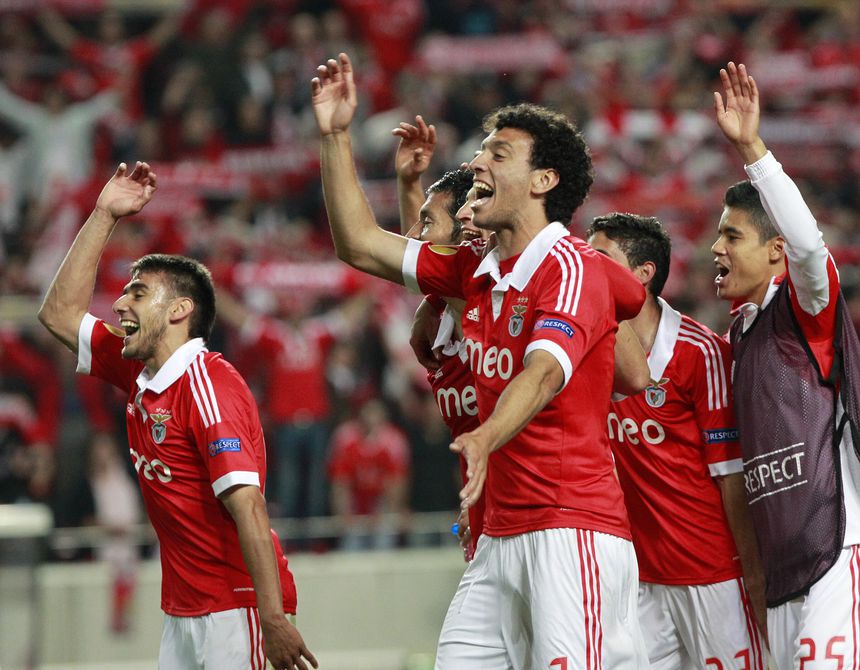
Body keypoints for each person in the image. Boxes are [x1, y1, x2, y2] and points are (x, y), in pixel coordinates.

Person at [312, 52, 649, 668]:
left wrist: (484, 437)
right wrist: (335, 136)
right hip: (498, 536)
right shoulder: (477, 269)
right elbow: (359, 244)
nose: (475, 163)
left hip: (569, 528)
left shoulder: (571, 267)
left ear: (543, 181)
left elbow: (543, 373)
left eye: (498, 154)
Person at [37, 161, 317, 670]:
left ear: (179, 310)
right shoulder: (139, 372)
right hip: (183, 612)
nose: (119, 303)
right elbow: (58, 314)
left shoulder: (209, 386)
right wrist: (103, 214)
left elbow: (249, 506)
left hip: (239, 608)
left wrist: (273, 618)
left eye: (137, 292)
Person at [712, 62, 860, 667]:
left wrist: (753, 150)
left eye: (732, 236)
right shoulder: (738, 337)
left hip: (836, 553)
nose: (716, 248)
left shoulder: (805, 312)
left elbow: (808, 245)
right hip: (782, 575)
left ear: (774, 252)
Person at [587, 212, 767, 668]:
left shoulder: (700, 353)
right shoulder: (586, 349)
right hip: (642, 577)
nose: (586, 267)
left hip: (714, 575)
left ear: (642, 274)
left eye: (600, 257)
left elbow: (732, 476)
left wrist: (752, 575)